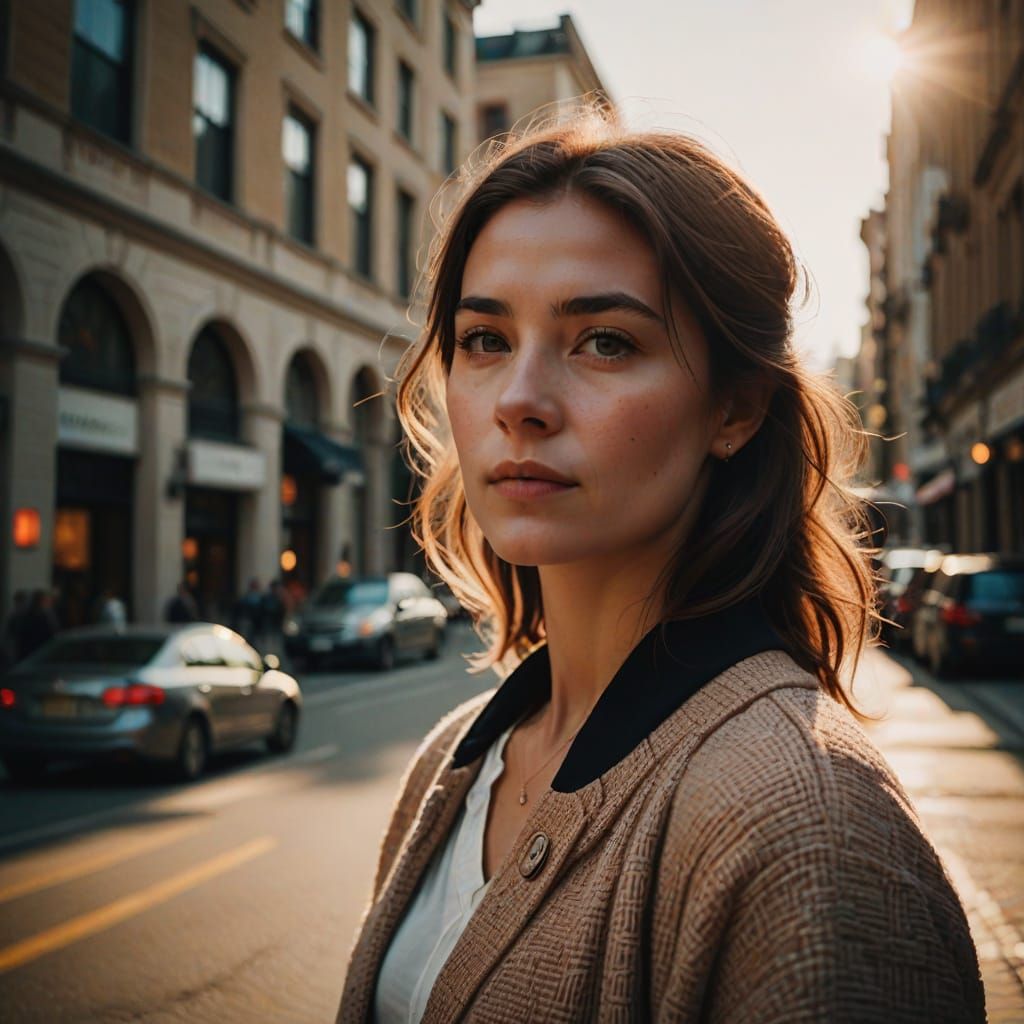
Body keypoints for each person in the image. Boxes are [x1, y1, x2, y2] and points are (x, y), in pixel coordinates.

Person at [337, 115, 984, 1022]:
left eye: (604, 340)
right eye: (485, 340)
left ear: (736, 407)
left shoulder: (808, 821)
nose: (519, 401)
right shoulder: (453, 759)